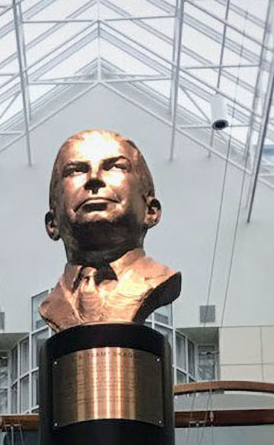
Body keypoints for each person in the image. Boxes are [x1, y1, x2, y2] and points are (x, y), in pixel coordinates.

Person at [39, 129, 181, 330]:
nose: (94, 178)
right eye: (75, 170)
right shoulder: (51, 305)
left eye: (115, 167)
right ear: (52, 223)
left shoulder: (158, 279)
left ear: (151, 211)